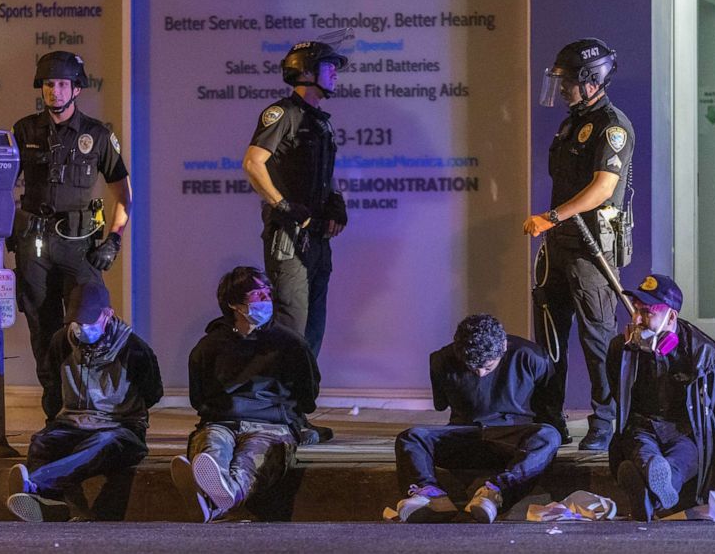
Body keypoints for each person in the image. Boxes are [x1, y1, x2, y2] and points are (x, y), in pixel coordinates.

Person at [523, 38, 636, 450]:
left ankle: (605, 423)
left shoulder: (613, 125)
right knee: (550, 337)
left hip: (592, 249)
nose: (563, 88)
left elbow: (603, 188)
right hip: (559, 245)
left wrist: (551, 217)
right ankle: (550, 420)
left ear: (591, 80)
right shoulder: (571, 121)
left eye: (568, 80)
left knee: (597, 338)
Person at [12, 50, 132, 422]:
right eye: (49, 84)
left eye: (62, 83)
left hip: (81, 243)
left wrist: (113, 239)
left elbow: (123, 194)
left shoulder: (97, 135)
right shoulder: (24, 130)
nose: (54, 91)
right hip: (34, 242)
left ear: (77, 89)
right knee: (41, 324)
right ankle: (55, 407)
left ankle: (91, 402)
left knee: (88, 322)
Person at [242, 38, 349, 444]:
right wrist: (284, 206)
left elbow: (323, 175)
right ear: (305, 70)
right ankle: (278, 417)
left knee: (312, 331)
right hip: (289, 240)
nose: (336, 72)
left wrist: (336, 202)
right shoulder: (281, 113)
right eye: (329, 66)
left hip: (317, 241)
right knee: (292, 328)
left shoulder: (319, 120)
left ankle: (296, 415)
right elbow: (252, 163)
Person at [170, 266, 318, 522]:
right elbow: (200, 398)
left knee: (252, 458)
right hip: (221, 422)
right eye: (257, 296)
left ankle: (220, 496)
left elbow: (308, 394)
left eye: (267, 294)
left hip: (270, 425)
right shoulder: (209, 347)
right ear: (235, 305)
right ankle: (217, 496)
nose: (266, 301)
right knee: (213, 451)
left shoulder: (291, 344)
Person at [7, 282, 163, 522]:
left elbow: (153, 392)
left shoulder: (134, 349)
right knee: (42, 443)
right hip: (74, 423)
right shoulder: (62, 341)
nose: (82, 328)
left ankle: (36, 483)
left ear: (107, 314)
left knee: (101, 443)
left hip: (121, 428)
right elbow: (51, 385)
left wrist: (122, 413)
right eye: (77, 322)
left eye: (89, 322)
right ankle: (54, 504)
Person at [390, 314, 562, 524]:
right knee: (411, 437)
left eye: (488, 367)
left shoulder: (532, 356)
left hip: (511, 438)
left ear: (503, 347)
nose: (480, 373)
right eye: (472, 368)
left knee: (548, 435)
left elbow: (548, 409)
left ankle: (495, 493)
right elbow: (441, 404)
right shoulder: (441, 359)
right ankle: (430, 496)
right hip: (464, 435)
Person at [607, 274, 715, 521]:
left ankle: (648, 495)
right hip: (642, 426)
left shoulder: (703, 354)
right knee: (643, 450)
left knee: (689, 455)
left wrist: (695, 427)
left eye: (647, 312)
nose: (637, 320)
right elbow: (617, 391)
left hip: (683, 430)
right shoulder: (621, 349)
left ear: (671, 317)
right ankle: (656, 485)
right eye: (636, 310)